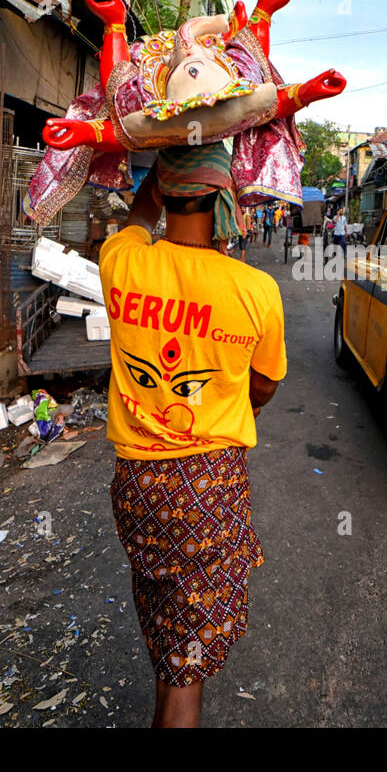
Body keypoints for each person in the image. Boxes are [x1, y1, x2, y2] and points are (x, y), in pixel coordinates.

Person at [100, 153, 285, 728]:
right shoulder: (255, 289)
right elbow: (263, 386)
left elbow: (135, 217)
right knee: (188, 667)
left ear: (162, 189)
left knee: (168, 632)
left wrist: (149, 187)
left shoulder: (121, 261)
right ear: (224, 198)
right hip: (207, 489)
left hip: (136, 489)